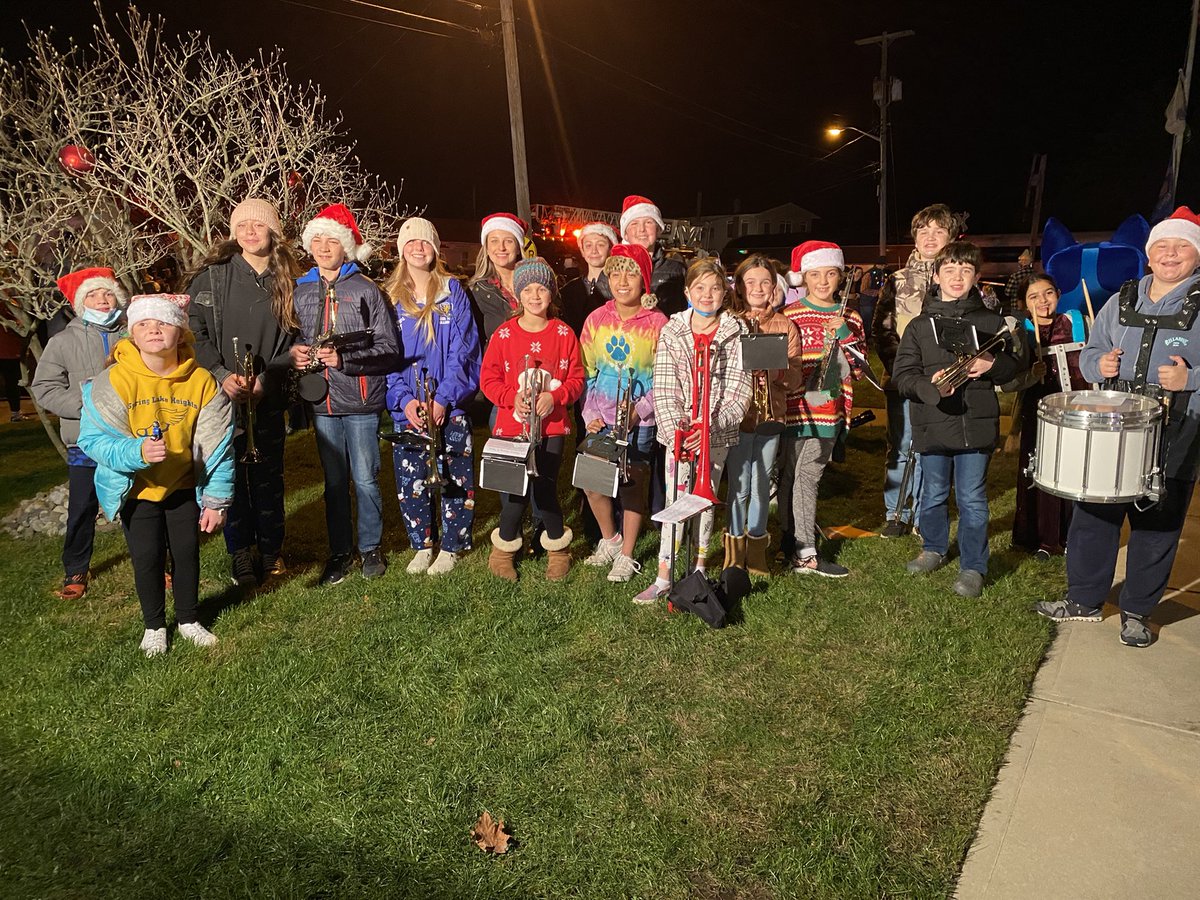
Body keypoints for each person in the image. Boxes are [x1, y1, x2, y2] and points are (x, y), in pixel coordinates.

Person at [1035, 207, 1200, 647]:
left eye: (1181, 246)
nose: (1170, 255)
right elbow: (1092, 350)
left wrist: (1192, 379)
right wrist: (1098, 363)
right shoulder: (1122, 298)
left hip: (1178, 431)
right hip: (1114, 427)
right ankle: (1084, 600)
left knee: (1158, 525)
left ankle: (1137, 611)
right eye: (1162, 246)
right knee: (1094, 517)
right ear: (1148, 255)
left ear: (1196, 254)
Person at [77, 293, 234, 657]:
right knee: (146, 558)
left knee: (186, 554)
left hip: (181, 487)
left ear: (180, 332)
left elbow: (219, 447)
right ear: (132, 333)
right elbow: (92, 439)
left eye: (163, 323)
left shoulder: (202, 382)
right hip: (136, 490)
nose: (153, 330)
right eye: (144, 324)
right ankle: (154, 626)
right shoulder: (112, 381)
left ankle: (188, 619)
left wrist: (215, 500)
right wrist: (137, 453)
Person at [892, 241, 1023, 598]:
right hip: (933, 423)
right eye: (949, 270)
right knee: (933, 493)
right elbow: (902, 375)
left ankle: (973, 567)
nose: (957, 277)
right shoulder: (919, 326)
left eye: (965, 271)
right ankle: (933, 548)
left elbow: (1016, 368)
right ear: (936, 276)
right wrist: (926, 386)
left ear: (977, 278)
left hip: (975, 426)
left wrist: (992, 365)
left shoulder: (993, 323)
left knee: (972, 498)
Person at [185, 198, 302, 587]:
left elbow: (298, 340)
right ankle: (240, 553)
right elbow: (194, 333)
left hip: (266, 393)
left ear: (273, 233)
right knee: (228, 473)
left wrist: (266, 380)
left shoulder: (289, 279)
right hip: (222, 396)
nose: (250, 232)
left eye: (259, 226)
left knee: (268, 477)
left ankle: (271, 550)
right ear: (234, 232)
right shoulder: (212, 277)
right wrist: (220, 374)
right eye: (243, 226)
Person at [290, 203, 401, 586]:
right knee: (334, 482)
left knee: (366, 477)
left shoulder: (366, 290)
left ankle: (370, 547)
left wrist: (345, 360)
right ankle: (339, 552)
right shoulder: (300, 290)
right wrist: (296, 352)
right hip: (322, 402)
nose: (323, 246)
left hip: (361, 398)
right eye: (317, 239)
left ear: (346, 246)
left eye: (332, 240)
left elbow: (389, 348)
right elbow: (293, 337)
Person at [635, 257, 751, 603]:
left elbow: (739, 388)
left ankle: (699, 567)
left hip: (716, 433)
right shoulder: (673, 330)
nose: (707, 294)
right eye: (699, 288)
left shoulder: (736, 331)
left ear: (725, 293)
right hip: (680, 435)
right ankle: (664, 573)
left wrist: (712, 426)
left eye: (715, 288)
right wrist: (677, 429)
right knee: (676, 499)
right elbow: (665, 386)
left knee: (705, 498)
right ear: (688, 292)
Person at [383, 217, 481, 576]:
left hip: (446, 403)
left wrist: (443, 399)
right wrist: (406, 400)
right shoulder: (390, 298)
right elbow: (387, 355)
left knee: (454, 472)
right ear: (401, 250)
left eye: (425, 242)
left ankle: (452, 545)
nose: (418, 248)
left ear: (435, 249)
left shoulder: (452, 291)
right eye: (410, 243)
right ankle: (422, 544)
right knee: (412, 479)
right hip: (409, 406)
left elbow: (464, 349)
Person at [480, 257, 584, 581]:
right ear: (518, 294)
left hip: (550, 428)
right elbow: (488, 379)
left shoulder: (564, 334)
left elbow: (577, 379)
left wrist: (556, 396)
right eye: (528, 289)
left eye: (541, 289)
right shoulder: (504, 335)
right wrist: (511, 398)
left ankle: (558, 549)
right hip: (512, 426)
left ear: (551, 293)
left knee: (545, 488)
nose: (535, 296)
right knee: (515, 491)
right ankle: (503, 550)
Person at [31, 267, 129, 600]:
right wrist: (86, 405)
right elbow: (44, 386)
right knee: (83, 507)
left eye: (108, 293)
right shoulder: (63, 341)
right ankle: (75, 568)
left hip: (129, 438)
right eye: (93, 294)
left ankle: (155, 562)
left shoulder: (134, 334)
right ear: (79, 302)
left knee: (139, 502)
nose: (103, 300)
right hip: (85, 441)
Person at [578, 243, 667, 582]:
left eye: (631, 273)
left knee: (632, 484)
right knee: (593, 485)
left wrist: (640, 411)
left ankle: (627, 555)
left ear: (644, 281)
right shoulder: (596, 320)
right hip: (601, 415)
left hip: (639, 420)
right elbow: (586, 372)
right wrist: (589, 414)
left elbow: (666, 377)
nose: (622, 281)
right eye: (616, 273)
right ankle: (610, 539)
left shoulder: (658, 323)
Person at [873, 204, 962, 536]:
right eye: (924, 230)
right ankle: (897, 511)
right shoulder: (898, 281)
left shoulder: (958, 279)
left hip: (945, 382)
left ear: (950, 236)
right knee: (901, 443)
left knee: (933, 447)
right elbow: (882, 331)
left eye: (939, 231)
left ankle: (927, 514)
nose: (930, 237)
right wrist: (905, 372)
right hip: (903, 381)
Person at [778, 242, 864, 577]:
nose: (823, 281)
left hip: (828, 410)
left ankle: (806, 552)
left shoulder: (851, 316)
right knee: (788, 474)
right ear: (804, 277)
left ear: (840, 277)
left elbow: (858, 370)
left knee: (808, 475)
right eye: (815, 274)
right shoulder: (790, 315)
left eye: (830, 274)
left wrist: (844, 334)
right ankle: (790, 539)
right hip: (793, 408)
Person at [723, 254, 802, 575]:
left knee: (761, 483)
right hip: (739, 418)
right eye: (750, 282)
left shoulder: (786, 325)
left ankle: (756, 548)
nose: (758, 288)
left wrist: (776, 371)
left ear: (774, 288)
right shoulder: (729, 322)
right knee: (738, 485)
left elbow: (796, 375)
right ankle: (733, 550)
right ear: (740, 287)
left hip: (772, 418)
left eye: (765, 282)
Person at [1008, 274, 1087, 558]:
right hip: (1038, 411)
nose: (1043, 301)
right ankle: (1040, 537)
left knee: (1073, 471)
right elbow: (1009, 380)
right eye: (1034, 296)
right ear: (1023, 302)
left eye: (1048, 293)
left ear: (1058, 293)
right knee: (1039, 470)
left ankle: (1070, 534)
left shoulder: (1077, 322)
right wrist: (1031, 375)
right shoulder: (1021, 332)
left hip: (1076, 410)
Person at [599, 195, 687, 316]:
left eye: (648, 222)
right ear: (626, 233)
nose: (641, 229)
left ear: (658, 228)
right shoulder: (610, 272)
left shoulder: (677, 270)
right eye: (634, 223)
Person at [469, 213, 526, 348]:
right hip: (497, 366)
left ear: (518, 247)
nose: (501, 247)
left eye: (508, 241)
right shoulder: (477, 292)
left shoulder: (536, 284)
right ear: (487, 248)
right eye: (494, 241)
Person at [561, 222, 617, 338]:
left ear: (611, 249)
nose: (594, 251)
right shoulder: (569, 290)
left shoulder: (619, 288)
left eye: (600, 245)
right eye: (588, 245)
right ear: (582, 251)